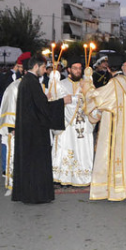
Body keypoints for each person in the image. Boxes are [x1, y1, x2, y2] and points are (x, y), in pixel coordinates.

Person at [13, 54, 69, 204]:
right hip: (34, 132)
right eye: (44, 67)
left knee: (31, 163)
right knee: (36, 164)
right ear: (36, 66)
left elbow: (37, 104)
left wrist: (46, 99)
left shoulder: (28, 81)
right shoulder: (31, 82)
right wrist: (61, 102)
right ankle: (36, 195)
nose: (45, 71)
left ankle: (30, 193)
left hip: (30, 129)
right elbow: (42, 108)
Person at [86, 71, 126, 201]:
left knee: (108, 155)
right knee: (124, 156)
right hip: (124, 126)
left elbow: (97, 98)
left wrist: (88, 86)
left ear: (109, 70)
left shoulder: (114, 83)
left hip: (112, 126)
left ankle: (109, 189)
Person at [48, 58, 96, 187]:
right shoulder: (61, 84)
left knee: (82, 149)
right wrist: (73, 100)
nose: (78, 71)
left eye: (80, 68)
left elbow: (93, 101)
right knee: (65, 147)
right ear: (69, 69)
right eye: (75, 68)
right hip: (66, 125)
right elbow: (54, 102)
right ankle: (62, 176)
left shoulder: (87, 85)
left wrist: (82, 97)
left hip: (83, 124)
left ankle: (82, 176)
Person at [0, 54, 27, 196]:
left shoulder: (39, 84)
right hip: (16, 126)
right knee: (13, 154)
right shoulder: (14, 86)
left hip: (31, 127)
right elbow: (9, 105)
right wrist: (11, 126)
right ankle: (12, 183)